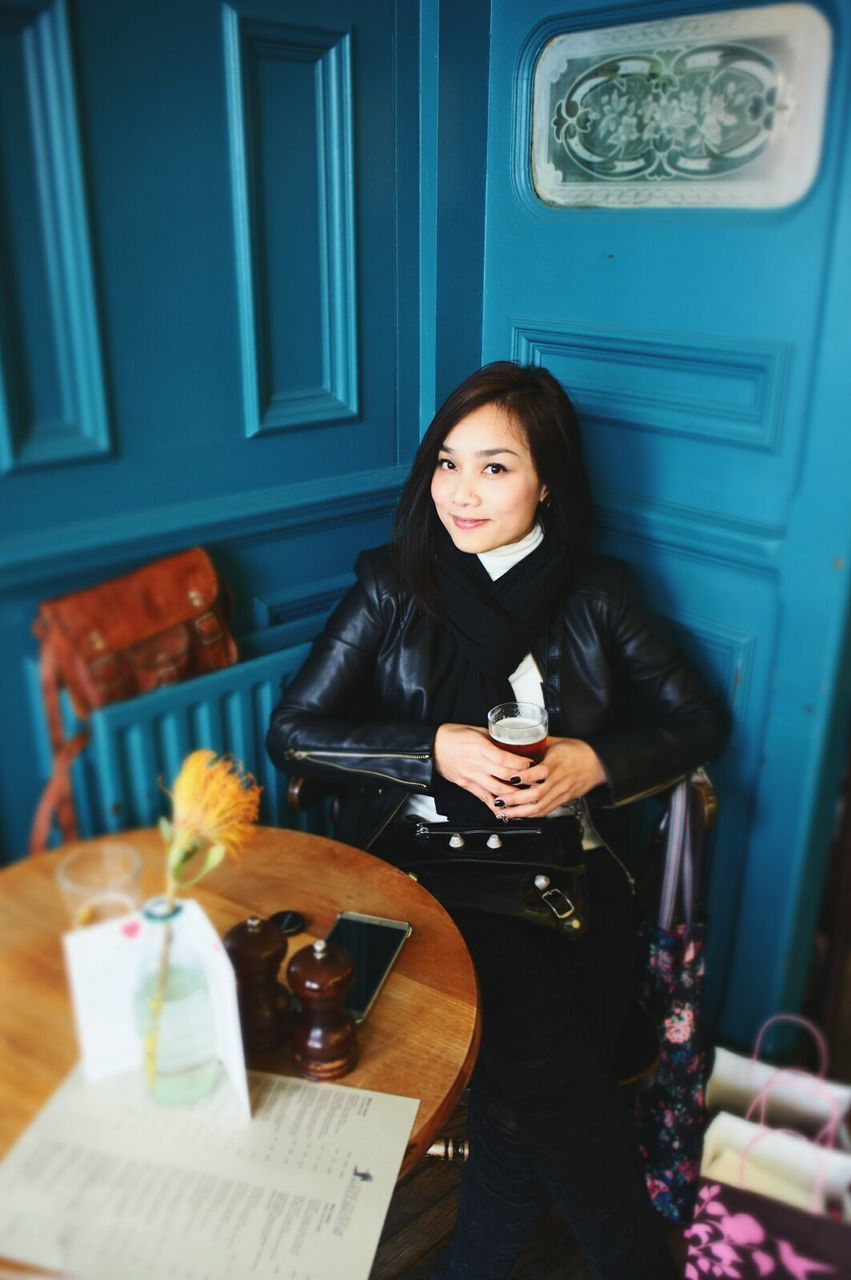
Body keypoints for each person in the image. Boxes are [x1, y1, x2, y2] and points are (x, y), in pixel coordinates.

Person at [267, 361, 729, 1279]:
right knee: (537, 1053)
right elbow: (292, 733)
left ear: (547, 481)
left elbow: (699, 721)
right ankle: (635, 1260)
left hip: (565, 874)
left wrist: (595, 762)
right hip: (420, 868)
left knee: (529, 1089)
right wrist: (429, 747)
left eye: (494, 467)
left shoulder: (595, 596)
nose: (460, 493)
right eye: (447, 463)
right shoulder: (393, 587)